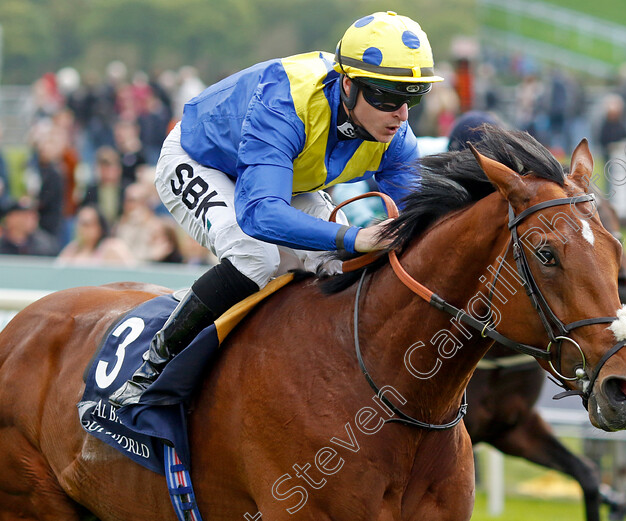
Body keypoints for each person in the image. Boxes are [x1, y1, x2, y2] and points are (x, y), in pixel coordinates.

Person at [109, 11, 442, 407]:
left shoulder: (396, 136)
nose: (401, 115)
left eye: (412, 98)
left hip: (284, 174)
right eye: (388, 97)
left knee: (341, 266)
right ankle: (152, 366)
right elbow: (260, 214)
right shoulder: (286, 102)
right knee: (256, 255)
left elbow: (421, 224)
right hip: (202, 159)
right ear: (349, 86)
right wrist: (353, 235)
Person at [57, 205, 136, 266]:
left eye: (86, 224)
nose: (81, 228)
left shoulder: (112, 247)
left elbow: (132, 273)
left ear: (100, 227)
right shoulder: (72, 249)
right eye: (79, 223)